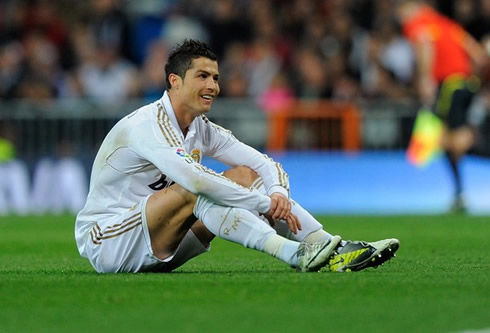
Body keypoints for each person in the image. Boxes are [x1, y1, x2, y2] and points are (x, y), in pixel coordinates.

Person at [75, 39, 399, 274]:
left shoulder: (200, 127)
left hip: (163, 242)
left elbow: (263, 164)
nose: (213, 85)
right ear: (174, 81)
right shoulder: (147, 124)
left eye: (215, 77)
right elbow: (195, 180)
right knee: (197, 187)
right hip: (109, 242)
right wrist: (261, 204)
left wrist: (276, 194)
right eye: (202, 76)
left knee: (244, 176)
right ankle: (294, 254)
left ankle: (334, 248)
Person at [397, 0, 489, 212]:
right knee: (447, 142)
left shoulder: (417, 22)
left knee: (453, 142)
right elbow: (477, 54)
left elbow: (423, 45)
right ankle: (459, 193)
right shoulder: (448, 25)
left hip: (449, 87)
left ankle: (460, 191)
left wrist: (424, 79)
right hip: (467, 84)